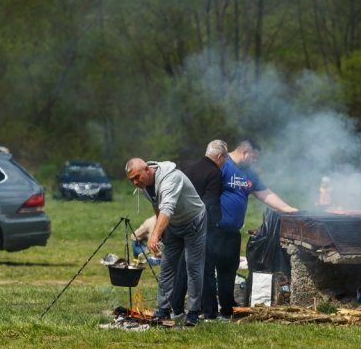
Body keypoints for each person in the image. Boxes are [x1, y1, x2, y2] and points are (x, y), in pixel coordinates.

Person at [216, 139, 297, 319]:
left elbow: (265, 193)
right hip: (214, 229)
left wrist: (288, 209)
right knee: (209, 269)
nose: (255, 161)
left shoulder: (248, 174)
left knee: (229, 269)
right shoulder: (222, 165)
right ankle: (206, 308)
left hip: (233, 232)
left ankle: (227, 307)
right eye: (254, 157)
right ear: (245, 152)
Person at [125, 158, 206, 326]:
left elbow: (167, 207)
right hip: (173, 224)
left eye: (137, 177)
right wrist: (160, 229)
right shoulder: (145, 185)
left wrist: (154, 235)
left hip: (194, 221)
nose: (135, 182)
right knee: (167, 266)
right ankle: (163, 309)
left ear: (147, 170)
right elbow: (158, 205)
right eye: (131, 180)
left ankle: (193, 313)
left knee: (193, 267)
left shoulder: (171, 178)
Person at [182, 140, 231, 321]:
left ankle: (176, 308)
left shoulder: (188, 168)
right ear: (220, 157)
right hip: (203, 227)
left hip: (182, 223)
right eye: (225, 158)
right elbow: (210, 201)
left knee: (183, 268)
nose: (224, 162)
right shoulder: (214, 173)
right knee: (207, 269)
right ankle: (209, 312)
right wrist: (209, 221)